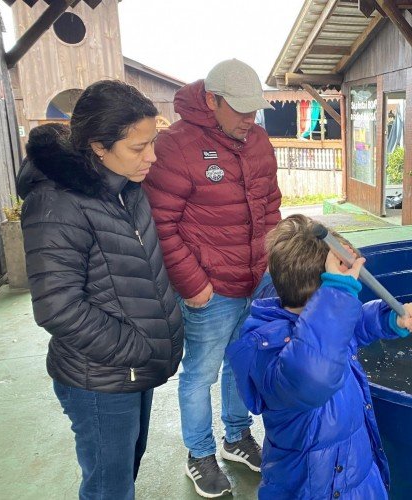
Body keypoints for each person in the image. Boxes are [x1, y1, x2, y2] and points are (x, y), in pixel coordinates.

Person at [16, 81, 184, 499]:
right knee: (109, 486)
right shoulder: (56, 203)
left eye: (153, 142)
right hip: (101, 377)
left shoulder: (125, 187)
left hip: (132, 367)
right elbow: (57, 307)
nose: (152, 156)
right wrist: (137, 346)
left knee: (124, 470)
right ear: (97, 146)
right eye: (138, 147)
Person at [142, 58, 281, 497]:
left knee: (242, 362)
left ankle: (236, 438)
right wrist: (194, 284)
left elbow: (272, 207)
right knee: (200, 374)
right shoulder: (175, 145)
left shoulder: (258, 141)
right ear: (211, 100)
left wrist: (273, 264)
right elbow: (160, 225)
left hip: (255, 279)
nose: (249, 118)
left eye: (253, 108)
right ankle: (199, 454)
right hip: (210, 288)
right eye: (239, 108)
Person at [225, 215, 412, 499]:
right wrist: (339, 292)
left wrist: (391, 319)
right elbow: (313, 373)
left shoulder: (328, 324)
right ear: (325, 293)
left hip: (353, 474)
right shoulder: (266, 346)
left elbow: (353, 325)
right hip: (313, 487)